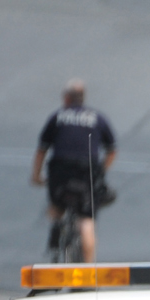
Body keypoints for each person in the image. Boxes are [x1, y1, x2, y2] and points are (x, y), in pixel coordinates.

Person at [31, 80, 116, 263]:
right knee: (86, 220)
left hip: (60, 171)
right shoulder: (97, 118)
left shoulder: (57, 117)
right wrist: (101, 171)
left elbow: (42, 150)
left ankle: (56, 228)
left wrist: (36, 176)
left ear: (66, 98)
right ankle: (87, 271)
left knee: (56, 204)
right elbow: (112, 149)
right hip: (87, 171)